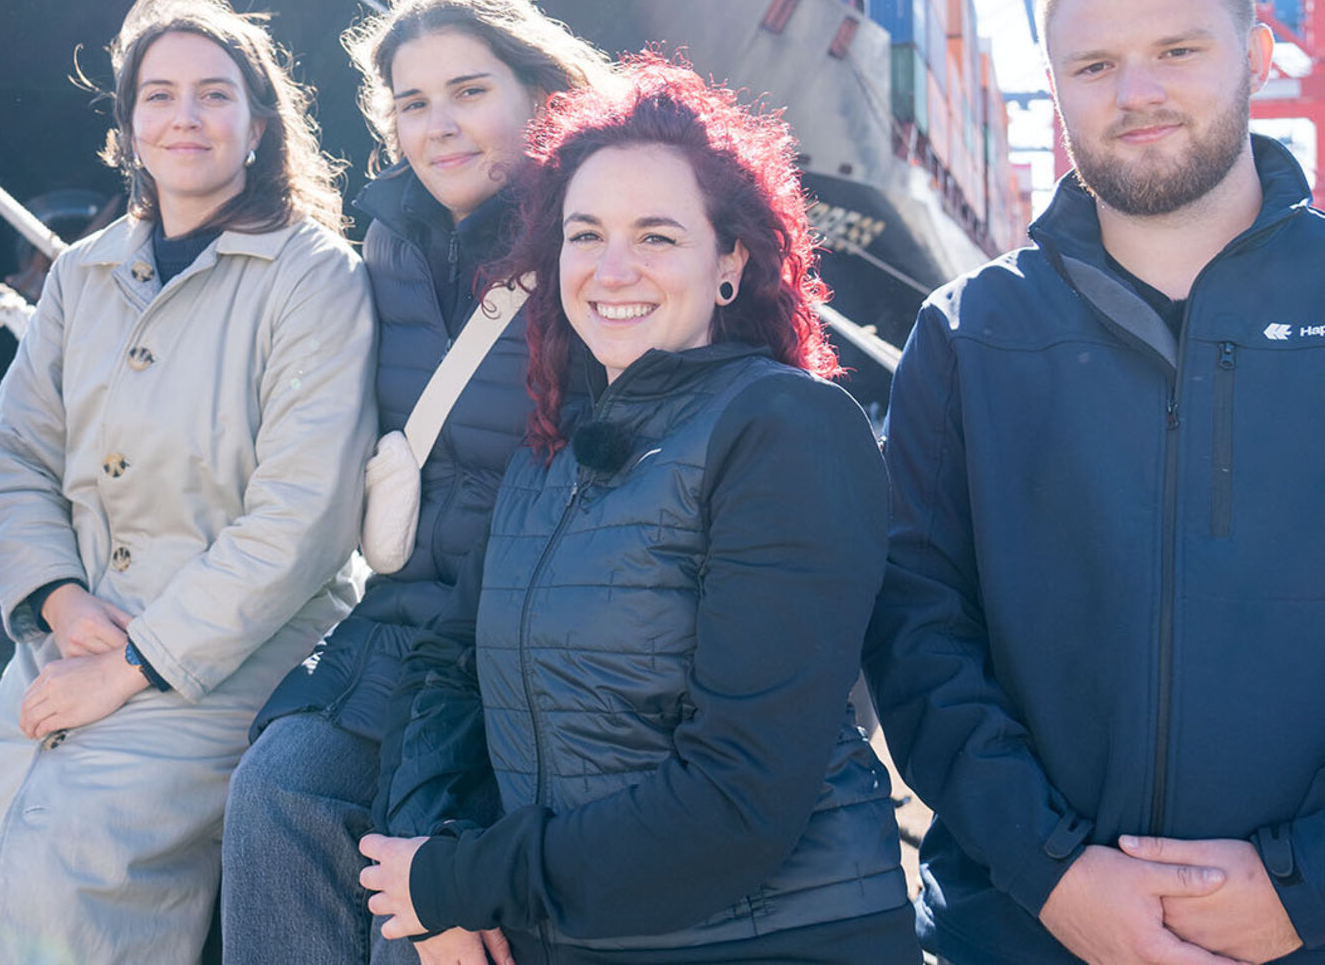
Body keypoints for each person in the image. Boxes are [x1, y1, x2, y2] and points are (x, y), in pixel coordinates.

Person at [864, 0, 1325, 964]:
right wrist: (1053, 872)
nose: (1137, 92)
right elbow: (915, 640)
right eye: (1094, 64)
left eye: (1178, 50)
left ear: (1257, 55)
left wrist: (1307, 885)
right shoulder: (966, 337)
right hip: (1037, 936)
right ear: (1055, 86)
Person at [359, 57, 915, 964]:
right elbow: (443, 669)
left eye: (657, 236)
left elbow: (737, 802)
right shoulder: (550, 452)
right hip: (570, 927)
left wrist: (457, 881)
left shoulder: (785, 430)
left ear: (730, 260)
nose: (612, 270)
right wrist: (435, 867)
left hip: (770, 941)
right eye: (585, 235)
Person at [0, 0, 378, 965]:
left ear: (261, 125)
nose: (186, 117)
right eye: (159, 96)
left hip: (229, 653)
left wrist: (133, 663)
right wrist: (59, 602)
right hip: (70, 638)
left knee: (76, 872)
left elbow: (303, 519)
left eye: (216, 94)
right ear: (125, 131)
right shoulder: (84, 276)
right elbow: (11, 458)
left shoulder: (315, 278)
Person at [220, 0, 613, 965]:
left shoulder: (597, 248)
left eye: (470, 92)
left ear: (538, 95)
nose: (439, 124)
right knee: (277, 791)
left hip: (533, 646)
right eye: (412, 103)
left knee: (419, 920)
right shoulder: (389, 247)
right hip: (406, 621)